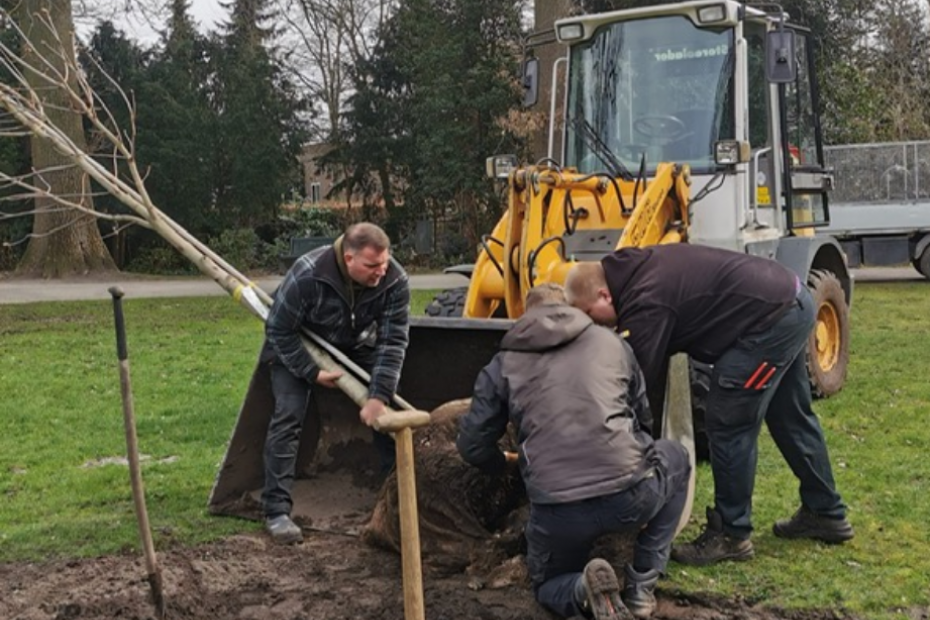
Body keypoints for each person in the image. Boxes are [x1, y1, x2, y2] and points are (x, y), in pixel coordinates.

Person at [564, 244, 854, 567]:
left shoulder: (647, 300)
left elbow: (633, 386)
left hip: (773, 320)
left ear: (604, 296)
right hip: (787, 301)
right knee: (790, 415)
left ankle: (731, 534)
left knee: (728, 417)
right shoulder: (631, 271)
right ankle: (826, 512)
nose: (597, 327)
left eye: (591, 316)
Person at [457, 283, 691, 620]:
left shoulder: (504, 362)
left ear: (525, 313)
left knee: (546, 585)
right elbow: (642, 418)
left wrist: (505, 466)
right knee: (677, 458)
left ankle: (581, 588)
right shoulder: (613, 343)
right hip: (631, 496)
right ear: (572, 309)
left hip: (558, 511)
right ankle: (642, 585)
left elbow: (472, 445)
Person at [260, 222, 410, 544]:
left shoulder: (394, 279)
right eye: (372, 266)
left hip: (353, 344)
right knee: (288, 414)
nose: (380, 272)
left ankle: (396, 500)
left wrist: (378, 396)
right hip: (296, 344)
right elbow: (277, 330)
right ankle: (276, 511)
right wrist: (309, 371)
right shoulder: (309, 275)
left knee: (390, 413)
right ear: (349, 256)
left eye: (384, 263)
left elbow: (393, 341)